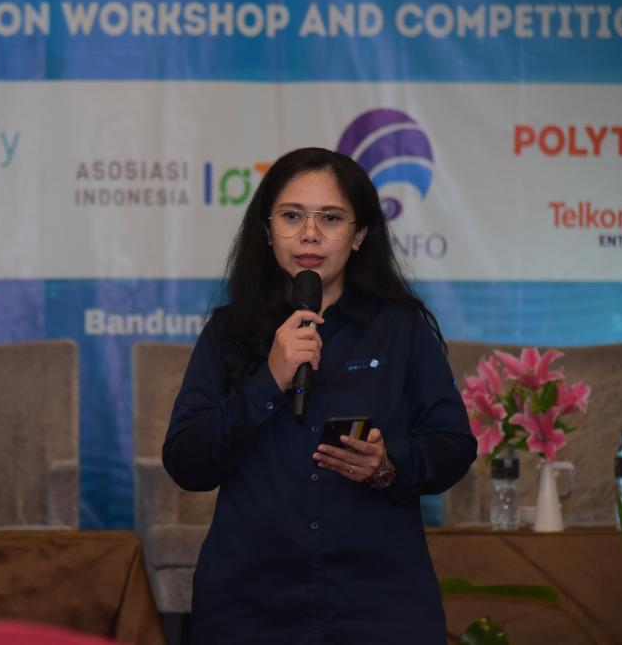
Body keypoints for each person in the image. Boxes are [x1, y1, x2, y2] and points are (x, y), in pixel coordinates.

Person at [162, 147, 476, 644]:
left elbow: (454, 445)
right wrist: (269, 379)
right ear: (267, 232)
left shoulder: (400, 329)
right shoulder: (228, 332)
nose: (309, 234)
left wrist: (388, 466)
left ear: (359, 235)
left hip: (377, 600)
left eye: (330, 218)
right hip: (250, 603)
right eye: (292, 216)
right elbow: (187, 462)